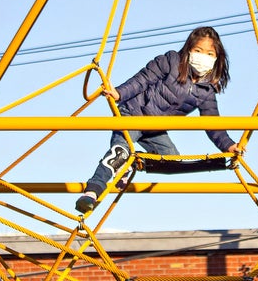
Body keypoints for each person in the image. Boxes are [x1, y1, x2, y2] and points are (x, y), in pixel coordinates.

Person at [76, 26, 239, 213]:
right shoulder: (171, 61)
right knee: (120, 151)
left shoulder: (206, 90)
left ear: (217, 58)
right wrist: (119, 93)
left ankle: (133, 162)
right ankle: (91, 192)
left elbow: (212, 123)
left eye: (210, 53)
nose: (203, 57)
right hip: (134, 114)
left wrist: (229, 146)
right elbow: (142, 80)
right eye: (198, 51)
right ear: (188, 50)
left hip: (154, 127)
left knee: (172, 161)